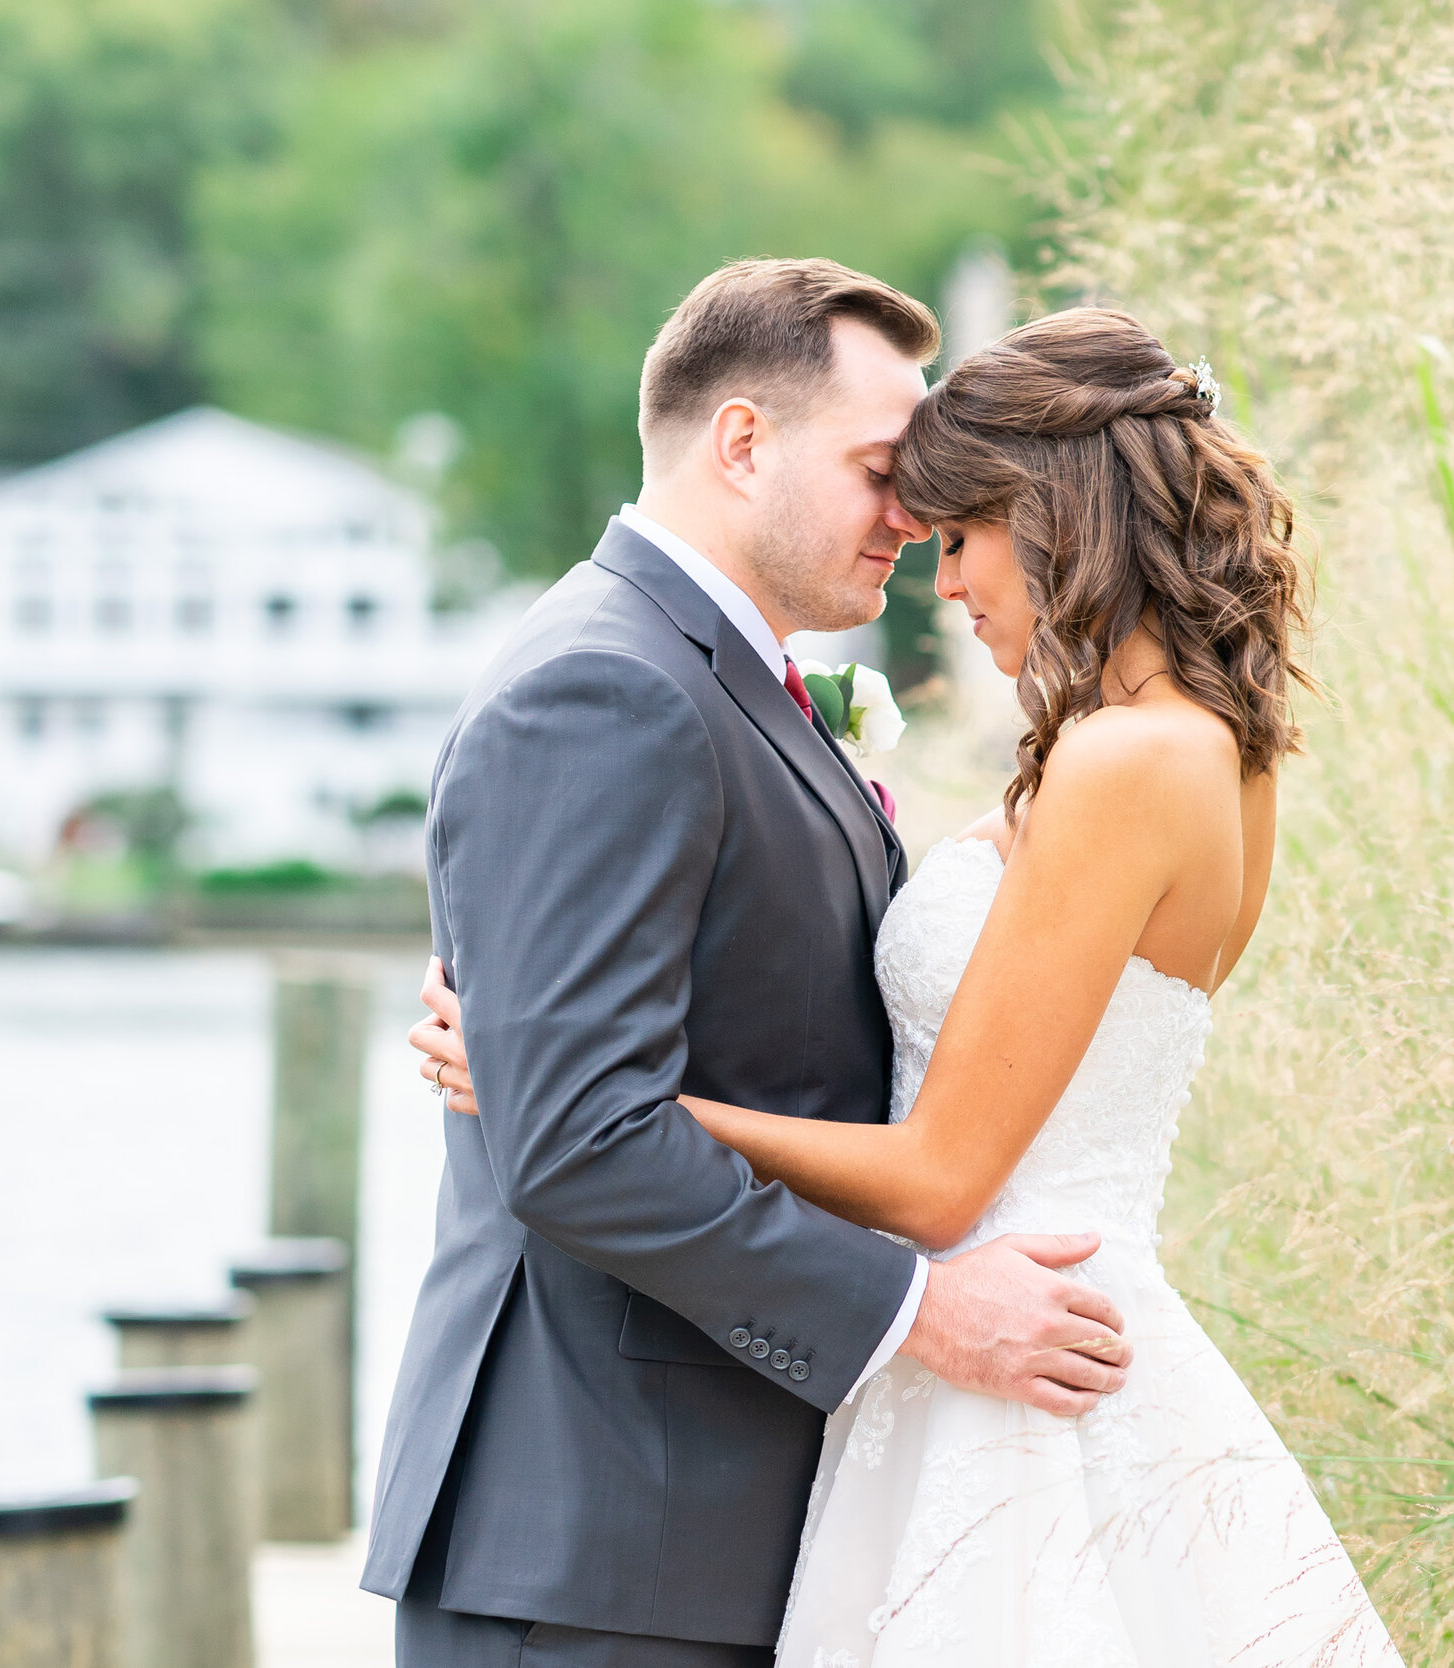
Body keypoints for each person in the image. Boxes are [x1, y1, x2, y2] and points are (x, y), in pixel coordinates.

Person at [410, 305, 1404, 1664]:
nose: (928, 563)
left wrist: (574, 1088)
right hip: (647, 1507)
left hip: (1010, 1345)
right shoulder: (1216, 750)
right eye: (891, 483)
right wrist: (575, 1097)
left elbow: (934, 1166)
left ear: (1057, 512)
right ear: (745, 442)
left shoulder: (1122, 763)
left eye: (954, 525)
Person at [364, 259, 1139, 1668]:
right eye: (879, 470)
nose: (916, 513)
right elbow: (580, 1144)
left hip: (705, 1525)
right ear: (741, 442)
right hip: (599, 1542)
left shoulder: (723, 682)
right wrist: (923, 1311)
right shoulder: (603, 687)